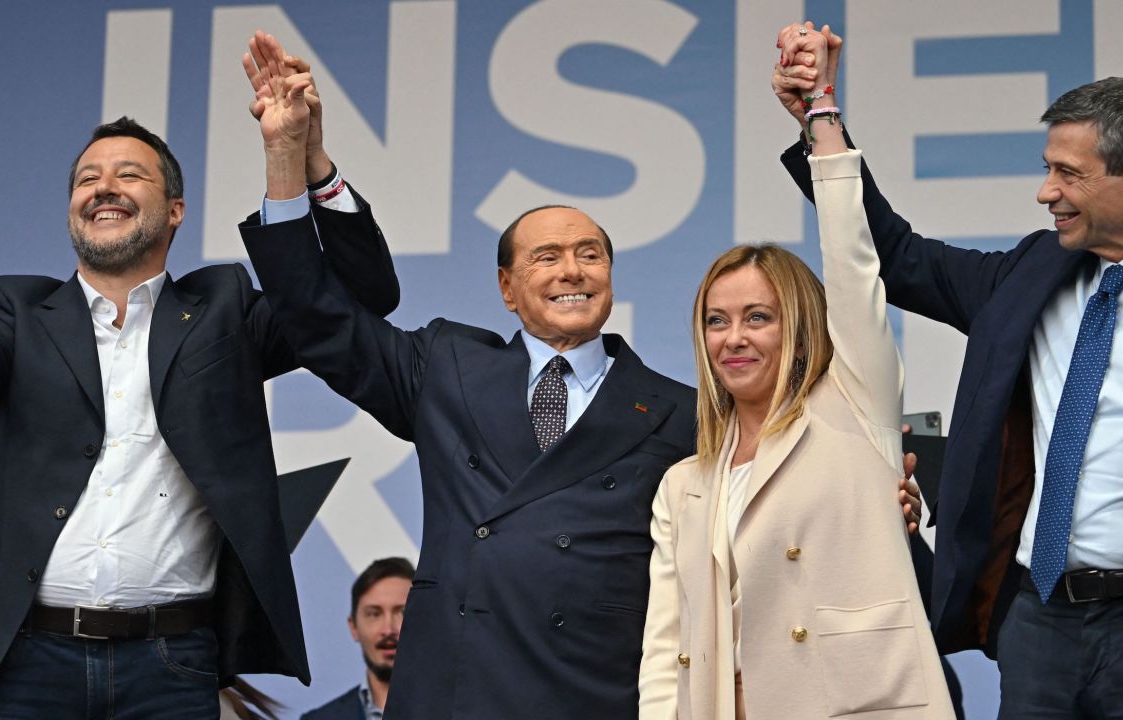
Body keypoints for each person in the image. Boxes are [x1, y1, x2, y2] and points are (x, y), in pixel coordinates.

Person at [237, 32, 923, 720]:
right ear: (507, 287)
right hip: (453, 694)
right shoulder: (445, 366)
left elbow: (760, 541)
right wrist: (291, 158)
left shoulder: (682, 415)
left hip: (596, 698)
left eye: (589, 253)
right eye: (548, 257)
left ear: (610, 277)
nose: (572, 269)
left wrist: (874, 509)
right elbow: (318, 319)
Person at [0, 110, 399, 717]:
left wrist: (308, 166)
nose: (103, 187)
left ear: (175, 209)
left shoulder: (224, 309)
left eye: (128, 174)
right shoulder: (19, 307)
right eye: (87, 179)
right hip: (25, 658)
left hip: (170, 666)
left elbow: (361, 298)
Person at [777, 22, 1123, 719]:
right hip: (1036, 620)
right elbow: (899, 256)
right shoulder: (1034, 271)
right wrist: (821, 120)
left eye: (1068, 174)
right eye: (1047, 167)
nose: (1044, 191)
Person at [637, 27, 953, 719]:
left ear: (802, 327)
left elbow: (853, 260)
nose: (734, 338)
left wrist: (821, 111)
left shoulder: (853, 408)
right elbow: (666, 650)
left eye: (758, 317)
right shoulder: (685, 485)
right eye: (716, 322)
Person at [302, 558, 414, 720]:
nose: (388, 630)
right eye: (374, 614)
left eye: (403, 612)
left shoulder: (460, 711)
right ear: (353, 627)